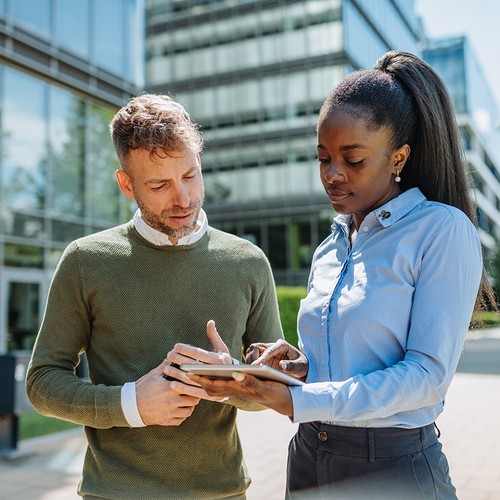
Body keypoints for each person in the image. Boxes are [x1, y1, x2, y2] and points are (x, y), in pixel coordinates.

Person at [187, 51, 495, 499]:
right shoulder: (330, 246)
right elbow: (347, 366)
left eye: (353, 160)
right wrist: (295, 369)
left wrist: (298, 400)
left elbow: (427, 375)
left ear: (398, 157)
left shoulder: (441, 231)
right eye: (323, 157)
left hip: (392, 468)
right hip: (310, 457)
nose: (332, 175)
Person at [26, 93, 283, 499]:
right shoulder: (85, 261)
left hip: (223, 493)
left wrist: (231, 378)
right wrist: (130, 404)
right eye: (160, 184)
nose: (183, 198)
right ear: (126, 184)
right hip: (114, 492)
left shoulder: (248, 262)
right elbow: (42, 382)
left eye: (190, 175)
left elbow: (272, 390)